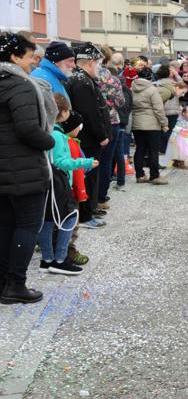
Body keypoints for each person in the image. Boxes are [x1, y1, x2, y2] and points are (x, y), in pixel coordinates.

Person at [0, 32, 55, 304]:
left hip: (5, 170)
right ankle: (16, 284)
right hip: (24, 169)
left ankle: (3, 283)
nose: (33, 63)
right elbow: (27, 128)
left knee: (5, 226)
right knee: (26, 226)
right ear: (13, 56)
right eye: (29, 57)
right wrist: (50, 139)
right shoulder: (20, 85)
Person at [38, 95, 95, 275]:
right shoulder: (58, 134)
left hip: (46, 182)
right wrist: (85, 163)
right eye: (67, 111)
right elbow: (61, 162)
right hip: (59, 184)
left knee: (47, 221)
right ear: (61, 112)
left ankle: (47, 259)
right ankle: (60, 259)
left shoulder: (44, 130)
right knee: (69, 217)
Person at [65, 43, 112, 229]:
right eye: (99, 63)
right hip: (88, 139)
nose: (100, 67)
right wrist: (102, 135)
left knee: (91, 176)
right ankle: (85, 215)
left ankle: (89, 209)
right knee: (87, 177)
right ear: (91, 62)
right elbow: (90, 113)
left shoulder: (83, 79)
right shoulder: (81, 82)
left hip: (89, 138)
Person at [95, 47, 125, 211]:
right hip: (111, 121)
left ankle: (90, 196)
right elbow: (120, 102)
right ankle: (101, 196)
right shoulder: (112, 80)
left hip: (90, 122)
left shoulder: (88, 77)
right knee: (106, 161)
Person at [130, 67, 169, 183]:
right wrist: (164, 123)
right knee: (153, 150)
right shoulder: (152, 89)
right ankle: (154, 175)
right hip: (152, 124)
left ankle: (140, 175)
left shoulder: (132, 88)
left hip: (137, 123)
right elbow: (158, 109)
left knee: (139, 149)